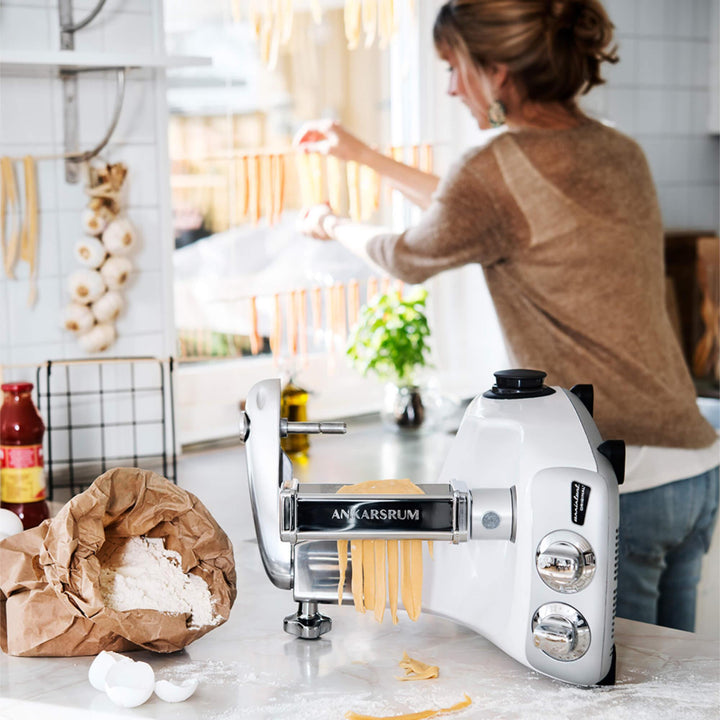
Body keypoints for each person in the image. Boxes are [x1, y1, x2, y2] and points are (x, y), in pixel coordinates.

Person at [293, 0, 720, 633]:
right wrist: (363, 157)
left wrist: (328, 222)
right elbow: (476, 208)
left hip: (618, 481)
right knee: (678, 688)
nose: (449, 86)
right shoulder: (618, 150)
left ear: (495, 73)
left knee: (613, 699)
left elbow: (409, 255)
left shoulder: (491, 168)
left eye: (453, 66)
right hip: (694, 465)